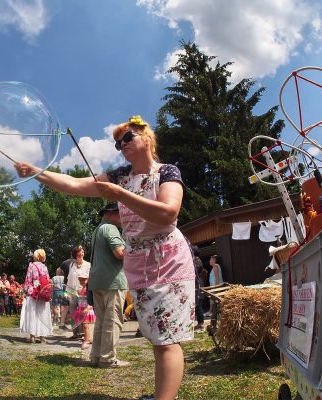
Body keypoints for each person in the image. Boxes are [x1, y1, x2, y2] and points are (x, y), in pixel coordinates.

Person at [15, 115, 195, 400]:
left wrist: (121, 195)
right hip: (140, 264)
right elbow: (73, 185)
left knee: (167, 340)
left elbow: (167, 212)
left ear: (147, 138)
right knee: (157, 338)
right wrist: (38, 172)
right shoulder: (120, 176)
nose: (121, 145)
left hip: (168, 262)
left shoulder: (167, 172)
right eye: (117, 143)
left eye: (127, 138)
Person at [88, 202, 128, 367]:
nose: (122, 219)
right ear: (111, 213)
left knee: (101, 321)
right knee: (113, 321)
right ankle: (108, 359)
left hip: (97, 281)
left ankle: (96, 356)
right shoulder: (111, 229)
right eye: (120, 214)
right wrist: (134, 246)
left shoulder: (97, 230)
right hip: (113, 281)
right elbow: (119, 253)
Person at [20, 249, 53, 343]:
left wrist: (25, 292)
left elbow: (28, 280)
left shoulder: (31, 266)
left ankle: (32, 336)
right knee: (43, 314)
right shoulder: (45, 267)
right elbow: (47, 279)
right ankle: (42, 336)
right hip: (43, 291)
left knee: (33, 314)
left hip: (33, 291)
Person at [64, 245, 91, 338]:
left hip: (83, 293)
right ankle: (75, 333)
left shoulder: (88, 265)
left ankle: (84, 334)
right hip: (72, 293)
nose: (81, 253)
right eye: (79, 252)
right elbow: (69, 280)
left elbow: (90, 280)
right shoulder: (71, 265)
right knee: (73, 314)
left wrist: (87, 291)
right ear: (75, 254)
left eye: (82, 251)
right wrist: (66, 292)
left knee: (82, 313)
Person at [73, 272, 96, 349]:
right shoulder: (81, 289)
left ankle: (86, 341)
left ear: (88, 280)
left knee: (85, 325)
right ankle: (88, 338)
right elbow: (80, 300)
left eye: (84, 280)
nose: (82, 281)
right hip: (82, 309)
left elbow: (91, 300)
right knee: (84, 326)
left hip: (87, 309)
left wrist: (87, 308)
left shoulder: (88, 289)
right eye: (80, 280)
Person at [191, 246, 205, 331]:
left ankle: (201, 323)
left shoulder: (197, 260)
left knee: (198, 303)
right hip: (195, 283)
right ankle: (199, 323)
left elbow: (194, 272)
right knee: (195, 303)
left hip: (197, 283)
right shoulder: (195, 260)